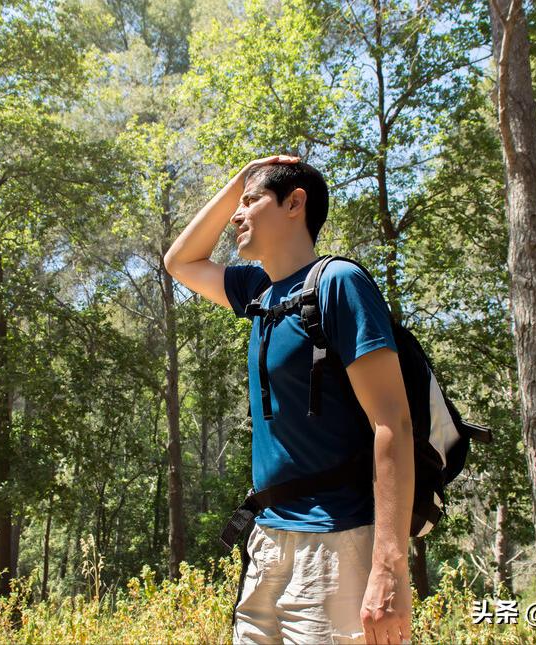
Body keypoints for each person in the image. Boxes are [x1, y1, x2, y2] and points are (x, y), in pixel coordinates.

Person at [163, 155, 414, 645]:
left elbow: (393, 424)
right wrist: (242, 178)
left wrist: (389, 566)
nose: (237, 215)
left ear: (295, 203)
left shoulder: (339, 284)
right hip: (267, 541)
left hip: (338, 545)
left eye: (251, 202)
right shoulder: (260, 292)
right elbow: (180, 262)